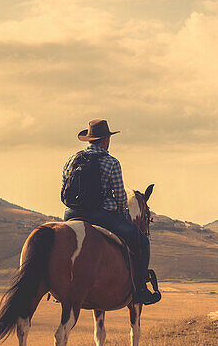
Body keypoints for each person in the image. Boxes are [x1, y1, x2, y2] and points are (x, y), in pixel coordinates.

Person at [61, 119, 161, 305]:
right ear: (106, 140)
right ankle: (140, 289)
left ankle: (57, 285)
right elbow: (121, 198)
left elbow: (64, 186)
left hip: (71, 213)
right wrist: (122, 215)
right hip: (100, 215)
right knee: (142, 241)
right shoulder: (111, 162)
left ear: (89, 139)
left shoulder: (72, 159)